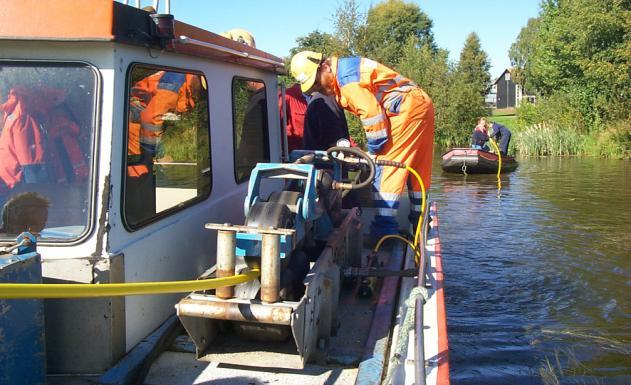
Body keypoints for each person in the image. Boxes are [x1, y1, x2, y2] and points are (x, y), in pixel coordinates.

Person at [290, 51, 435, 238]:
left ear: (325, 67)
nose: (318, 89)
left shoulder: (347, 81)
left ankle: (384, 235)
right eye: (313, 87)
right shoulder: (347, 70)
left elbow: (372, 115)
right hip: (421, 104)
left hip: (404, 110)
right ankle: (420, 225)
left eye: (317, 82)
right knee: (418, 167)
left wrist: (374, 153)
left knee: (385, 171)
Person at [279, 83, 307, 152]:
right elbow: (275, 127)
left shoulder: (320, 98)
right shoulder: (287, 96)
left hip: (315, 153)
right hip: (294, 156)